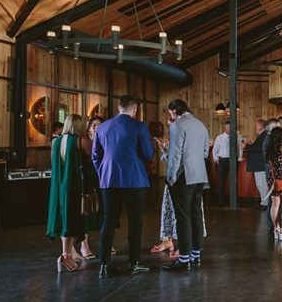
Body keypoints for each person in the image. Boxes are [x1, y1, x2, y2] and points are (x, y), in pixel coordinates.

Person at [92, 95, 154, 277]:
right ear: (134, 109)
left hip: (109, 180)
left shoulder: (102, 127)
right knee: (135, 222)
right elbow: (149, 153)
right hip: (134, 180)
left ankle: (104, 265)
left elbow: (95, 156)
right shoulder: (139, 126)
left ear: (119, 107)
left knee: (108, 221)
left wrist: (103, 172)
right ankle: (134, 263)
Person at [163, 99, 209, 271]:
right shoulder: (201, 125)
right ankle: (196, 254)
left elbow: (175, 155)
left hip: (183, 176)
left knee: (182, 217)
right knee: (196, 213)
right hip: (200, 175)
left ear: (175, 110)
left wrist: (170, 176)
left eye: (170, 113)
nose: (170, 117)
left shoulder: (177, 126)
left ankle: (184, 259)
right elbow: (205, 152)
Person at [151, 137, 207, 259]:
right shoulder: (178, 133)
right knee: (169, 210)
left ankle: (185, 246)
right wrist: (165, 149)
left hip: (186, 179)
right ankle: (168, 240)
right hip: (174, 178)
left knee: (185, 213)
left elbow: (181, 159)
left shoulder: (186, 133)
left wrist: (168, 151)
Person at [46, 114, 86, 272]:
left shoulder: (56, 142)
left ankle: (67, 254)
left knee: (63, 220)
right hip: (71, 185)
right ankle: (65, 255)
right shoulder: (76, 141)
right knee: (70, 220)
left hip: (58, 185)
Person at [77, 116, 104, 261]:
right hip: (88, 177)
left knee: (103, 210)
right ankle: (84, 245)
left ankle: (106, 243)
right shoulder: (84, 141)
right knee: (87, 210)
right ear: (89, 127)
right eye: (94, 125)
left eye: (99, 125)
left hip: (102, 177)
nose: (96, 127)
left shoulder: (105, 140)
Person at [245, 119, 269, 207]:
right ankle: (264, 202)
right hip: (260, 164)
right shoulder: (263, 135)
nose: (256, 127)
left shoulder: (264, 135)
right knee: (261, 184)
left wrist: (246, 146)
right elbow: (258, 147)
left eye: (257, 125)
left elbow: (259, 149)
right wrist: (252, 145)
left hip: (260, 164)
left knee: (262, 184)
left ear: (261, 126)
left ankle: (265, 203)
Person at [212, 120, 232, 206]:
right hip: (223, 160)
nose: (229, 129)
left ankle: (233, 199)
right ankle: (221, 199)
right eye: (227, 127)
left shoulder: (236, 137)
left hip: (233, 161)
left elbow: (239, 149)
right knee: (221, 181)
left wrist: (239, 159)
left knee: (233, 181)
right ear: (225, 127)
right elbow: (215, 149)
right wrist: (216, 159)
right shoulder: (219, 137)